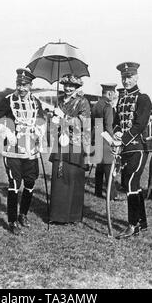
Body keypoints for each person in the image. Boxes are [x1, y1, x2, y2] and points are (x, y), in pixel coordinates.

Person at [0, 68, 46, 235]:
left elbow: (41, 120)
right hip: (12, 149)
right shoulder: (8, 100)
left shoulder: (36, 101)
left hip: (31, 150)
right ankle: (12, 220)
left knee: (30, 183)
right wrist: (6, 132)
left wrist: (38, 131)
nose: (21, 88)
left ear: (31, 85)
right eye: (19, 84)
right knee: (14, 184)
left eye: (25, 85)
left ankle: (23, 214)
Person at [113, 62, 152, 238]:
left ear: (136, 77)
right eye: (123, 77)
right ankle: (141, 222)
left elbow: (140, 124)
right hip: (125, 149)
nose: (126, 81)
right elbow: (116, 122)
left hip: (138, 148)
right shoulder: (121, 99)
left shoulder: (143, 98)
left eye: (129, 77)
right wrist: (116, 135)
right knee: (132, 185)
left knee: (129, 183)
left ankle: (132, 225)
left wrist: (124, 139)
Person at [49, 74, 91, 224]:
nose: (67, 88)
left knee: (73, 178)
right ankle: (57, 215)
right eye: (65, 85)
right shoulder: (60, 100)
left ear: (77, 87)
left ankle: (72, 216)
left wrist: (64, 117)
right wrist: (54, 119)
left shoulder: (83, 102)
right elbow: (56, 123)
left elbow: (84, 124)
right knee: (59, 178)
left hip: (76, 144)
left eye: (71, 86)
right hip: (60, 143)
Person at [92, 83, 118, 200]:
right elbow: (108, 126)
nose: (115, 96)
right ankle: (111, 195)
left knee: (99, 167)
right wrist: (112, 141)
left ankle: (97, 192)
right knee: (109, 167)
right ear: (109, 93)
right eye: (114, 93)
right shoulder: (107, 106)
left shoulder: (96, 105)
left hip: (97, 137)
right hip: (105, 139)